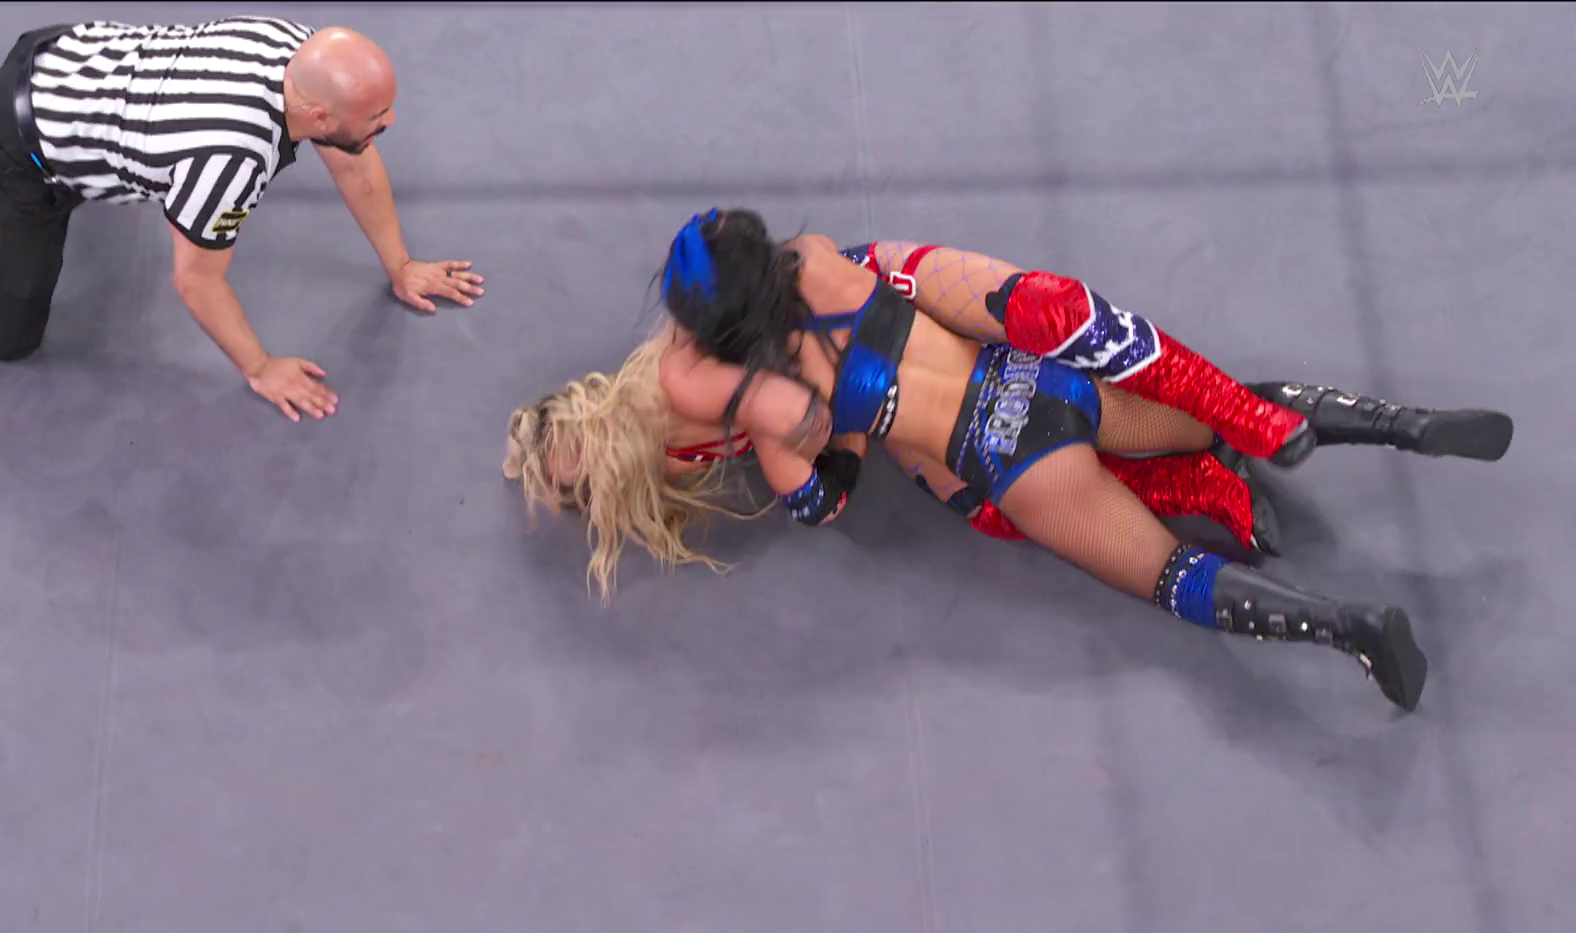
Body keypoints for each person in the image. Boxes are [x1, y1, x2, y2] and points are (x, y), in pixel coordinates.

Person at [503, 209, 1516, 713]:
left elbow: (821, 501)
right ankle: (1398, 423)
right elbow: (915, 283)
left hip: (1003, 464)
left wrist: (817, 437)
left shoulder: (763, 406)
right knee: (1204, 416)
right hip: (1035, 379)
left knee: (1168, 574)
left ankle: (1349, 630)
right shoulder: (822, 261)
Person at [0, 17, 485, 423]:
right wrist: (262, 367)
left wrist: (401, 265)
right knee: (2, 332)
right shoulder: (230, 158)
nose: (391, 123)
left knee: (48, 94)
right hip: (22, 145)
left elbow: (354, 160)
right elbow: (196, 281)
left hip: (63, 53)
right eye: (377, 115)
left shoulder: (295, 49)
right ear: (319, 115)